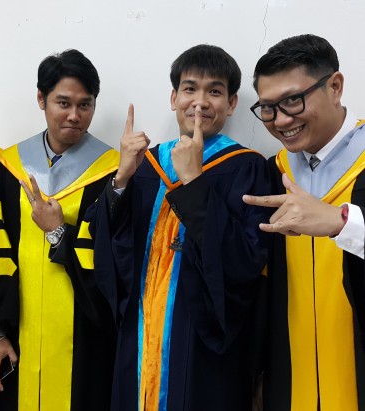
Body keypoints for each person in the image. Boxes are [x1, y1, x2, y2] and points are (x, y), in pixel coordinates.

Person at [74, 44, 271, 410]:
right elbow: (109, 247)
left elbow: (245, 260)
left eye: (214, 91)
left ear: (231, 104)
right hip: (139, 330)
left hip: (200, 341)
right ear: (173, 98)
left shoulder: (246, 167)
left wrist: (194, 182)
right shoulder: (146, 164)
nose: (200, 102)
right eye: (189, 88)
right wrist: (121, 181)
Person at [0, 49, 119, 410]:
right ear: (41, 99)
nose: (74, 115)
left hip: (84, 339)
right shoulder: (8, 167)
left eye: (85, 105)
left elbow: (112, 264)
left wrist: (58, 232)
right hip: (18, 337)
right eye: (63, 103)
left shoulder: (113, 173)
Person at [243, 34, 365, 411]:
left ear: (335, 86)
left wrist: (343, 222)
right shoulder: (271, 174)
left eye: (293, 100)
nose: (281, 120)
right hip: (289, 383)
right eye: (268, 108)